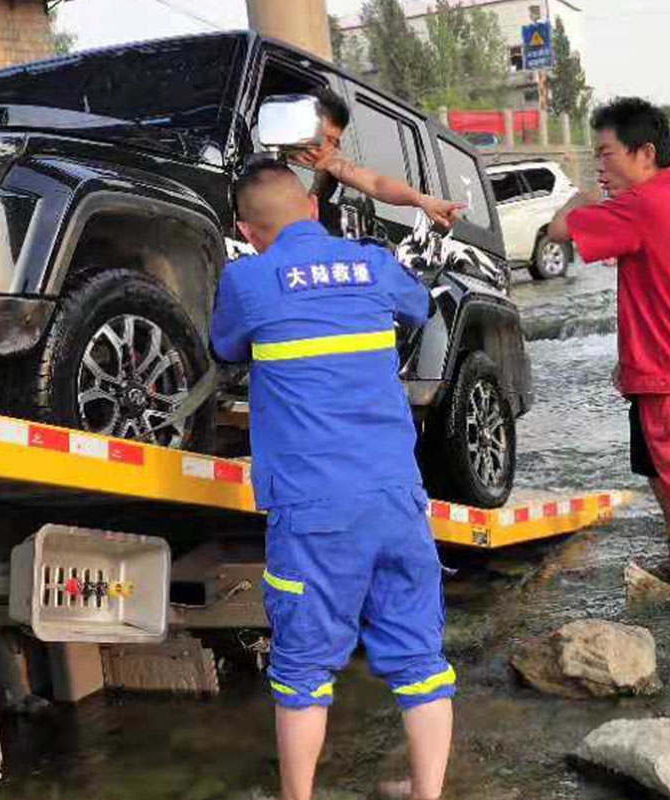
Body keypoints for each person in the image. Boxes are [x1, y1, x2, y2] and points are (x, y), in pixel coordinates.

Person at [210, 161, 455, 800]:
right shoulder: (371, 265)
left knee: (302, 668)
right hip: (397, 498)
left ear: (246, 229)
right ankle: (427, 794)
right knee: (420, 658)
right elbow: (421, 306)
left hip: (314, 511)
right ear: (313, 212)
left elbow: (227, 346)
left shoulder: (248, 278)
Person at [548, 97, 670, 563]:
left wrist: (584, 195)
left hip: (661, 377)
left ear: (645, 153)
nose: (600, 165)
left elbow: (558, 231)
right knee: (653, 472)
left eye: (605, 154)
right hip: (648, 371)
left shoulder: (638, 206)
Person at [296, 87, 464, 230]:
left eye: (331, 140)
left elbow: (376, 184)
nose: (319, 146)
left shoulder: (331, 164)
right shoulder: (270, 151)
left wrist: (423, 200)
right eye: (316, 134)